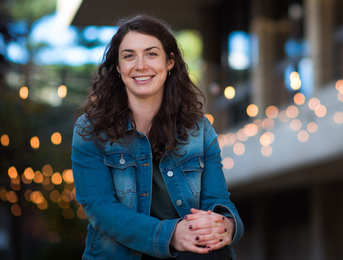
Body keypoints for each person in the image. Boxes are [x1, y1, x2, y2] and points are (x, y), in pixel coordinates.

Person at [71, 14, 244, 260]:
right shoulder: (90, 130)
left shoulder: (200, 130)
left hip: (188, 252)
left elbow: (217, 200)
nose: (140, 65)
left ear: (170, 62)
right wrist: (170, 234)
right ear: (119, 68)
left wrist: (225, 227)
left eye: (151, 54)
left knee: (214, 250)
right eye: (129, 56)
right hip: (119, 255)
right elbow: (100, 209)